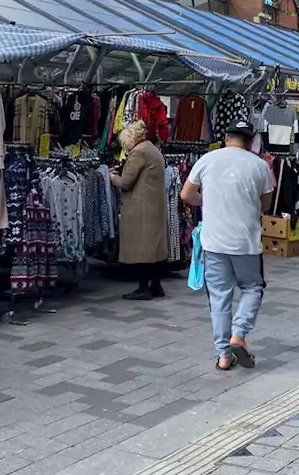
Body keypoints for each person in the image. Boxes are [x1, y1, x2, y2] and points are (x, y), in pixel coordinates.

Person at [180, 120, 273, 371]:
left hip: (213, 241)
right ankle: (239, 333)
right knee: (253, 287)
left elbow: (186, 195)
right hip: (246, 243)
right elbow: (265, 204)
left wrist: (207, 201)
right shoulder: (260, 166)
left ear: (226, 137)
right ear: (250, 141)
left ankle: (223, 355)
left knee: (219, 298)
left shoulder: (207, 160)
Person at [111, 121, 170, 300]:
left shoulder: (139, 152)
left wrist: (112, 176)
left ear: (131, 138)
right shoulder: (151, 148)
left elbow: (125, 182)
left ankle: (143, 288)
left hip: (141, 207)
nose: (124, 146)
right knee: (153, 248)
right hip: (153, 205)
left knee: (142, 249)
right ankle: (156, 285)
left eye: (124, 142)